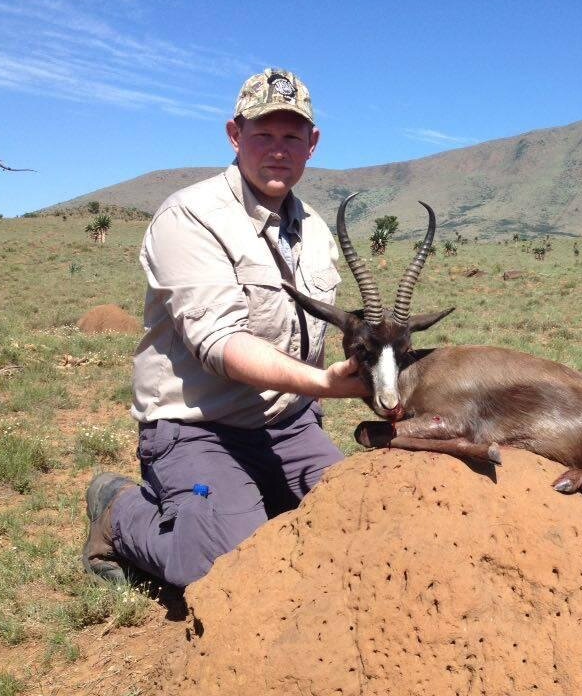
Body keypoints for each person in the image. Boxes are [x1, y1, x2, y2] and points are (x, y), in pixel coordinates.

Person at [82, 68, 369, 588]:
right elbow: (222, 344)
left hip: (291, 426)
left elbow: (316, 333)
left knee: (361, 524)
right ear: (235, 135)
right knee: (229, 568)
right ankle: (118, 513)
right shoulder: (190, 217)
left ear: (312, 144)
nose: (277, 149)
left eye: (291, 136)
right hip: (199, 428)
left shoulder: (318, 229)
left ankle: (253, 495)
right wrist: (327, 383)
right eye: (263, 134)